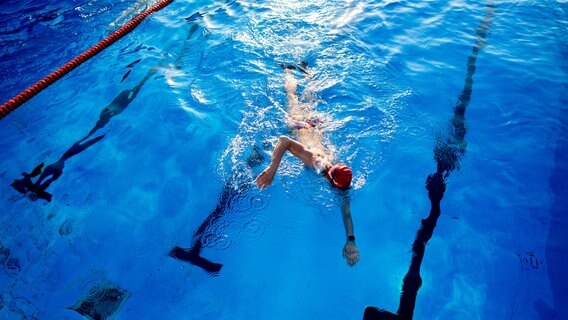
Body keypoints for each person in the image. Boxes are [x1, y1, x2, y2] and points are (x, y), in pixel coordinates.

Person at [255, 62, 360, 266]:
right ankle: (288, 71)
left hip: (315, 126)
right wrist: (272, 169)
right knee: (292, 97)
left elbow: (346, 212)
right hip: (299, 126)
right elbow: (284, 140)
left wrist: (351, 241)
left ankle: (307, 72)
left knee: (310, 99)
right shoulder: (314, 161)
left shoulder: (336, 176)